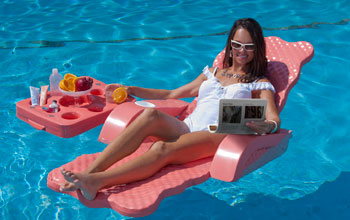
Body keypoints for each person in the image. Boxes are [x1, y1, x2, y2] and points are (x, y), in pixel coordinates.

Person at [60, 18, 281, 200]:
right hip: (188, 127)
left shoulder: (258, 82)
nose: (242, 51)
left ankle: (97, 182)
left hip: (217, 133)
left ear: (257, 48)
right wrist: (131, 89)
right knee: (150, 115)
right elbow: (171, 94)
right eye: (237, 44)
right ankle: (90, 172)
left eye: (249, 46)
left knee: (160, 149)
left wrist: (264, 125)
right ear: (230, 45)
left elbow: (273, 119)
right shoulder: (214, 72)